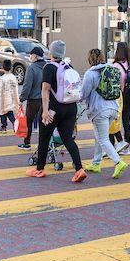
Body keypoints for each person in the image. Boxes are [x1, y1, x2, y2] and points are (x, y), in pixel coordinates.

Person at [28, 40, 86, 182]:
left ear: (51, 52)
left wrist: (45, 110)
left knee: (44, 138)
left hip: (54, 108)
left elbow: (45, 89)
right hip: (70, 107)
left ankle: (39, 169)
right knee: (67, 139)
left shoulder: (49, 67)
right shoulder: (68, 65)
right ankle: (79, 169)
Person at [81, 48, 127, 178]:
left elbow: (83, 94)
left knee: (102, 139)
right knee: (100, 137)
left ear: (90, 59)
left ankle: (118, 162)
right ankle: (96, 163)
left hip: (100, 110)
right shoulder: (110, 70)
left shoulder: (90, 74)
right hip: (113, 108)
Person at [111, 42, 130, 152]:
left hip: (119, 98)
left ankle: (116, 145)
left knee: (114, 122)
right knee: (126, 122)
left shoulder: (115, 66)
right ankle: (126, 148)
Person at [17, 46, 46, 149]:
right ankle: (44, 144)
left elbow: (27, 85)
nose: (30, 56)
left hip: (33, 100)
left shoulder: (32, 68)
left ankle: (27, 142)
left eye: (31, 55)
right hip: (46, 100)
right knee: (44, 122)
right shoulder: (47, 66)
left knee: (29, 121)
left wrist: (22, 99)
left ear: (35, 56)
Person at [0, 56, 20, 133]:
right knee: (10, 112)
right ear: (11, 67)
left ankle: (4, 127)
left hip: (3, 98)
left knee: (3, 112)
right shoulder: (13, 77)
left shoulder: (1, 79)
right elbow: (16, 89)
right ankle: (15, 125)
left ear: (2, 67)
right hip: (11, 98)